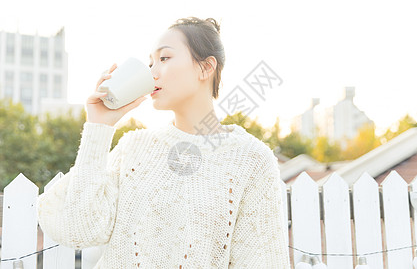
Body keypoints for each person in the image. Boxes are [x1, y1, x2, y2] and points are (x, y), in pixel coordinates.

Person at [36, 17, 291, 268]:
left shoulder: (251, 159)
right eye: (150, 63)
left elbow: (262, 261)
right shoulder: (134, 147)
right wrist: (99, 126)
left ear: (206, 67)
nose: (152, 72)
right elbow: (80, 230)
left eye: (164, 58)